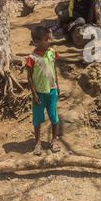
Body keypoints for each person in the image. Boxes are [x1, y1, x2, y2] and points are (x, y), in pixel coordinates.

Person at [26, 26, 60, 156]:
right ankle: (38, 143)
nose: (49, 42)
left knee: (54, 116)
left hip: (52, 91)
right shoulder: (32, 58)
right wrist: (34, 94)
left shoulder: (51, 52)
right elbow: (29, 77)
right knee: (38, 119)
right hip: (39, 94)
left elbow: (54, 69)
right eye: (46, 40)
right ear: (36, 42)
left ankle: (54, 141)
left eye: (49, 39)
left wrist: (58, 84)